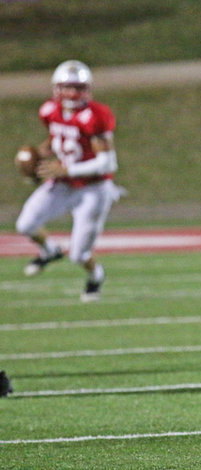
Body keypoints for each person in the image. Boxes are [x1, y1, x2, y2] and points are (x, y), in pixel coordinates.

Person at [15, 60, 119, 302]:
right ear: (56, 88)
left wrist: (66, 170)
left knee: (79, 254)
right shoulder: (49, 111)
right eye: (67, 87)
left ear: (87, 89)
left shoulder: (95, 116)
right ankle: (50, 251)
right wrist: (38, 155)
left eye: (78, 87)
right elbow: (57, 139)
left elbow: (108, 163)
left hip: (94, 188)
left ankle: (96, 276)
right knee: (25, 224)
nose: (73, 93)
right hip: (63, 184)